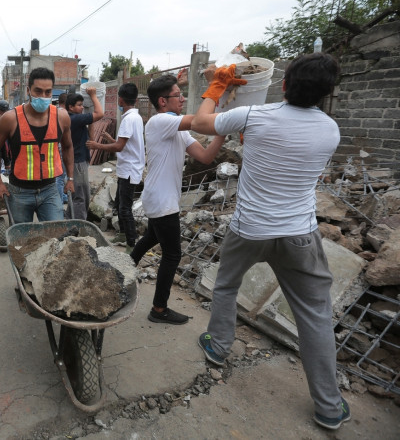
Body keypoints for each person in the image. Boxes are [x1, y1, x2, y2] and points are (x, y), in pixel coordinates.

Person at [190, 53, 350, 430]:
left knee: (227, 286)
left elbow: (199, 122)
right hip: (299, 234)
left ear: (283, 84)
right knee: (314, 315)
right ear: (328, 94)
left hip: (249, 230)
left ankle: (218, 346)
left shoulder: (253, 117)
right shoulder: (331, 130)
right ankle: (328, 406)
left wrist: (218, 85)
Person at [132, 75, 226, 324]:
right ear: (163, 101)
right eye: (178, 95)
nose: (183, 98)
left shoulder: (176, 128)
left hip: (160, 197)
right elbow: (200, 121)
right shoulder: (160, 121)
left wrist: (223, 133)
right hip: (162, 201)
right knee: (172, 255)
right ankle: (159, 309)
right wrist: (216, 95)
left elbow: (205, 157)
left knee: (151, 238)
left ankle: (122, 271)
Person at [0, 67, 74, 223]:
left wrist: (70, 178)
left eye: (48, 92)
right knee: (21, 242)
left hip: (50, 190)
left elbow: (68, 147)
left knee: (56, 237)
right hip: (19, 192)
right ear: (28, 90)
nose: (43, 96)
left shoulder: (62, 117)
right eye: (38, 91)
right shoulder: (10, 119)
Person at [86, 83, 144, 252]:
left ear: (120, 99)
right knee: (119, 204)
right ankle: (123, 234)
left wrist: (97, 145)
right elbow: (125, 144)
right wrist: (110, 139)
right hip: (129, 168)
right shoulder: (136, 117)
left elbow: (119, 147)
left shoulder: (129, 119)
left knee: (125, 208)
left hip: (129, 170)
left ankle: (131, 244)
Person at [65, 87, 104, 219]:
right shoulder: (74, 119)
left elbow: (91, 136)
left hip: (79, 160)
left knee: (77, 194)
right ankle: (79, 226)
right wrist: (93, 96)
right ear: (70, 107)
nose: (82, 108)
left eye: (82, 105)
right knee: (81, 197)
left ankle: (69, 220)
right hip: (77, 162)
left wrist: (90, 119)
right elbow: (100, 114)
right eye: (79, 105)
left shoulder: (75, 119)